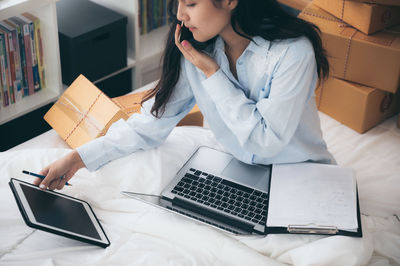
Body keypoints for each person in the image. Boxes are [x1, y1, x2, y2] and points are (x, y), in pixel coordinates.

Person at [34, 0, 335, 190]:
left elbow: (265, 142)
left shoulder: (293, 52)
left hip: (300, 174)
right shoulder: (196, 49)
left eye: (191, 3)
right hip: (238, 174)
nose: (179, 14)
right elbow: (151, 124)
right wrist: (77, 158)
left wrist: (213, 74)